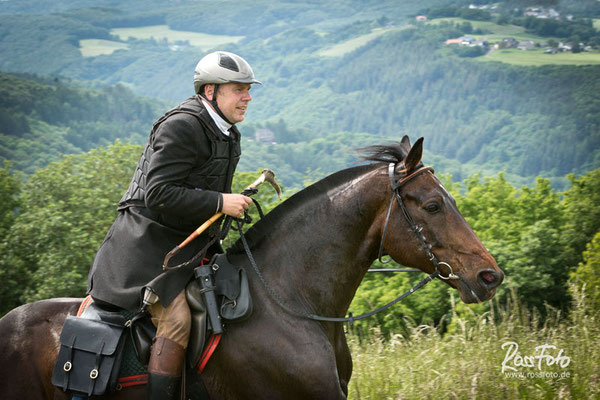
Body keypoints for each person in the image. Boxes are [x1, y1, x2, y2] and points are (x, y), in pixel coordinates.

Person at [86, 51, 260, 400]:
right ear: (210, 91)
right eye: (238, 89)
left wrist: (228, 207)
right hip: (146, 250)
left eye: (248, 89)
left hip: (187, 246)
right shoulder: (182, 125)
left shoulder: (227, 132)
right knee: (178, 318)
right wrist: (221, 202)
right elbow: (159, 194)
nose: (248, 97)